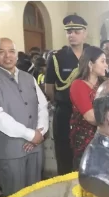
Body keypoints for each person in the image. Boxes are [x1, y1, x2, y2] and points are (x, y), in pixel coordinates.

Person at [0, 38, 48, 196]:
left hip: (35, 147)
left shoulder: (28, 77)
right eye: (1, 52)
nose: (7, 56)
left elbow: (42, 105)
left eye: (11, 51)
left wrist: (39, 133)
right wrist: (30, 135)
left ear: (17, 54)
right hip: (10, 150)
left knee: (35, 193)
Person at [45, 14, 89, 175]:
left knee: (88, 154)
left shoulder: (92, 55)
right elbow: (49, 88)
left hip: (88, 114)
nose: (72, 35)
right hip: (65, 112)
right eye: (69, 32)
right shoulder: (57, 57)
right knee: (64, 154)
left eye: (76, 31)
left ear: (85, 33)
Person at [69, 46, 107, 170]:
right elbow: (91, 117)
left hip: (106, 142)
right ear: (90, 64)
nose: (106, 65)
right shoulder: (78, 85)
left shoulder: (105, 84)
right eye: (102, 61)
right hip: (86, 143)